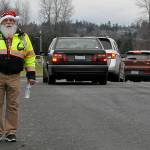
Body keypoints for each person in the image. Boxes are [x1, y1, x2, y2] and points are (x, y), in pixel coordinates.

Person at [0, 9, 36, 142]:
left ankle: (10, 132)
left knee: (12, 105)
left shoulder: (23, 36)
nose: (8, 22)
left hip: (15, 76)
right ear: (2, 22)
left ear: (15, 22)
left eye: (11, 20)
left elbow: (30, 56)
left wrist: (31, 74)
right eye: (6, 20)